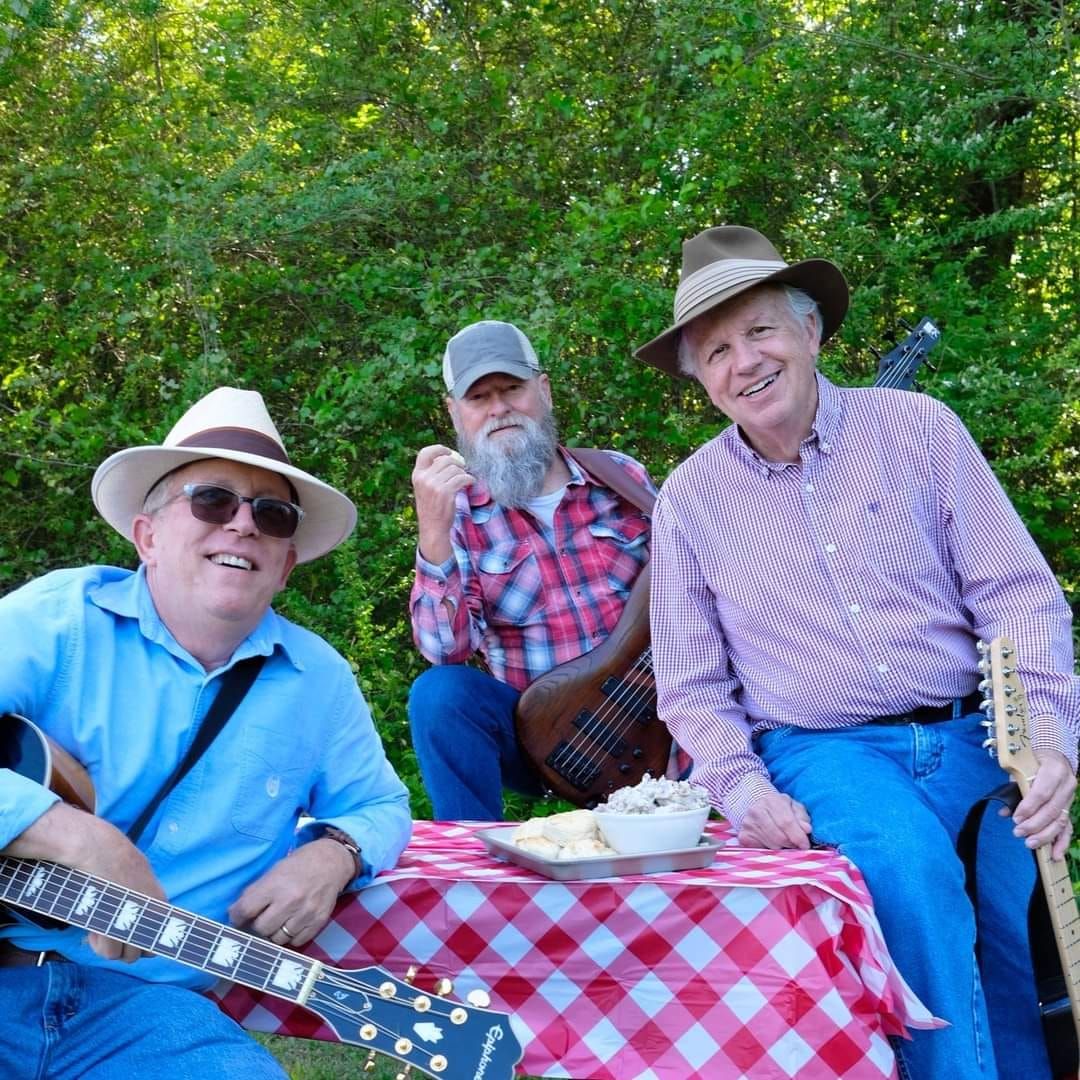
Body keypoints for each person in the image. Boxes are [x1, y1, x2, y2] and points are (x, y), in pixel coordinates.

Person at [637, 225, 1079, 1079]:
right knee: (907, 876)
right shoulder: (689, 501)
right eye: (717, 350)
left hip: (978, 735)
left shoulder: (921, 431)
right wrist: (739, 784)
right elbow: (693, 686)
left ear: (810, 331)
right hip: (825, 751)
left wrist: (1053, 741)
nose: (744, 362)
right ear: (703, 382)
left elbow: (1018, 596)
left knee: (1015, 925)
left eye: (760, 330)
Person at [0, 386, 413, 1079]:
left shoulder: (319, 679)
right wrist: (71, 833)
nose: (243, 525)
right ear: (148, 536)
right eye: (213, 500)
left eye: (273, 515)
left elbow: (381, 806)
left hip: (143, 1012)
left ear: (285, 565)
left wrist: (335, 852)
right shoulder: (58, 620)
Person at [408, 320, 656, 819]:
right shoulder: (456, 514)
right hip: (547, 745)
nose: (499, 409)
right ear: (455, 413)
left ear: (542, 389)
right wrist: (432, 532)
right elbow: (443, 650)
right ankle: (472, 868)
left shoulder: (621, 477)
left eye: (512, 389)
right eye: (479, 398)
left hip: (657, 719)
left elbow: (695, 594)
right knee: (439, 695)